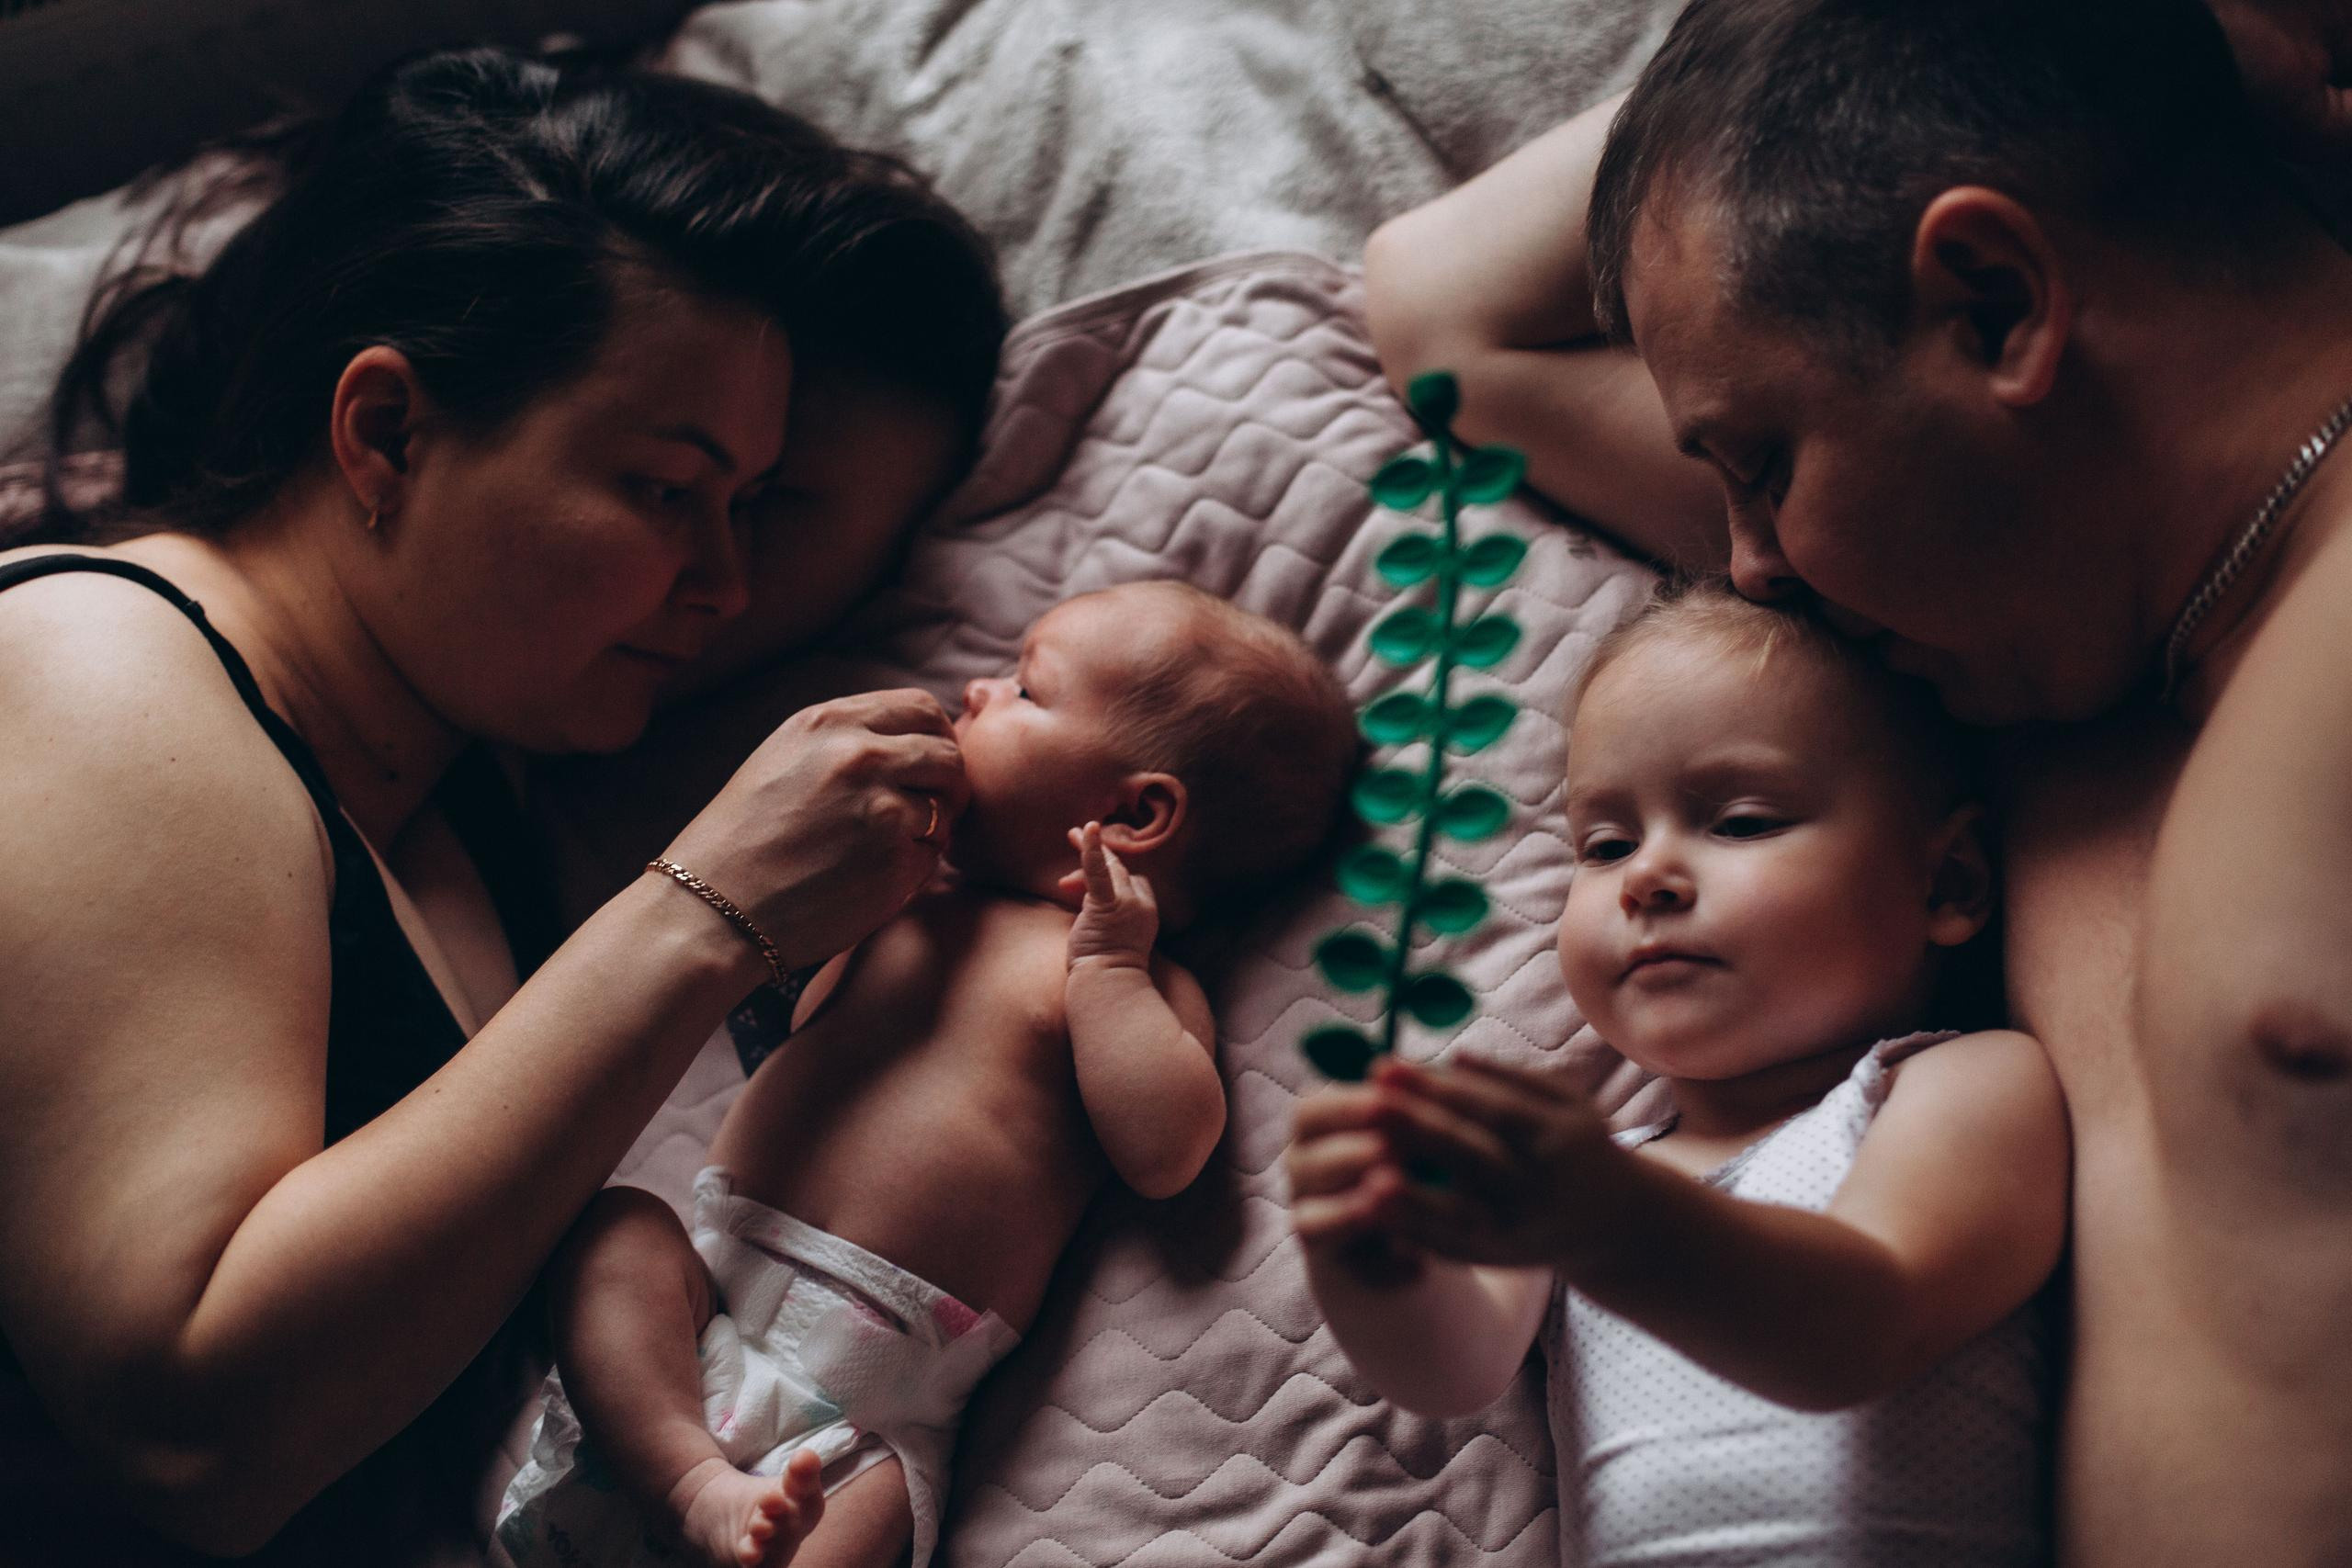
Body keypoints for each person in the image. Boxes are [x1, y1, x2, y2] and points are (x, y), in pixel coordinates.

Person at [1363, 1, 2352, 1562]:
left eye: (1758, 461)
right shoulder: (2005, 670)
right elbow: (1442, 319)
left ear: (1997, 303)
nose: (1752, 567)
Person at [0, 45, 1007, 1566]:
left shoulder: (463, 794)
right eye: (670, 492)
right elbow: (188, 1429)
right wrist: (702, 913)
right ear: (390, 433)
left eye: (752, 511)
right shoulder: (99, 661)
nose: (726, 586)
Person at [494, 581, 1358, 1568]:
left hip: (873, 1411)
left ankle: (722, 1507)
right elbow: (763, 1015)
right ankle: (691, 1485)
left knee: (871, 1518)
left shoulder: (1124, 979)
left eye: (1027, 690)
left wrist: (1110, 969)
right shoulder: (898, 900)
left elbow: (1167, 1149)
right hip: (707, 1302)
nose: (977, 690)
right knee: (614, 1231)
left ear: (1132, 813)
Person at [1288, 581, 2065, 1565]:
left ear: (1944, 881)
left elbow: (1857, 1331)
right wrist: (1371, 1262)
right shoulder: (1591, 1178)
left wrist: (1608, 1218)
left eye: (1739, 821)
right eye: (1604, 844)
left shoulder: (1961, 1085)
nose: (1645, 875)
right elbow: (1454, 1368)